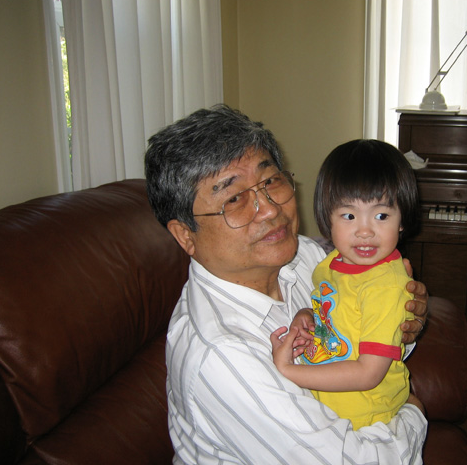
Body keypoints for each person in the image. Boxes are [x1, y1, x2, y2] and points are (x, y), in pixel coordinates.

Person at [144, 104, 429, 464]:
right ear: (185, 235)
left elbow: (367, 340)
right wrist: (414, 413)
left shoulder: (305, 257)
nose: (269, 209)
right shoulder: (221, 355)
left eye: (271, 181)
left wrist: (402, 324)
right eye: (233, 199)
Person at [270, 139, 419, 430]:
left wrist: (288, 371)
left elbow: (368, 374)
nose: (365, 231)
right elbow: (340, 311)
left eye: (382, 215)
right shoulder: (331, 264)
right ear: (328, 217)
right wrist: (309, 314)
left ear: (402, 221)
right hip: (327, 407)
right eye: (349, 216)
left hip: (367, 419)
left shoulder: (386, 286)